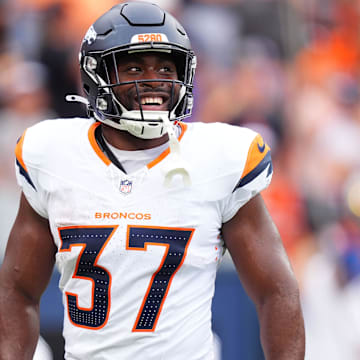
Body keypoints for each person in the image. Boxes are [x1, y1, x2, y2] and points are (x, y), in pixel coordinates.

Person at [0, 2, 305, 359]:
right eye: (134, 67)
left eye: (165, 66)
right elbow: (18, 288)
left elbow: (277, 290)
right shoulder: (53, 155)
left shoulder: (219, 158)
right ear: (97, 75)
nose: (154, 80)